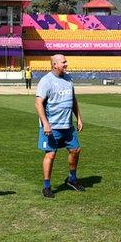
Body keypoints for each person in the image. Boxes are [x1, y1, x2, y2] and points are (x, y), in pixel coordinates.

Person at [35, 54, 83, 198]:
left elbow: (73, 100)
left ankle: (72, 179)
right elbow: (38, 103)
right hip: (52, 126)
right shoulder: (46, 81)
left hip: (67, 125)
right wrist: (45, 124)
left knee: (75, 150)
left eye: (66, 61)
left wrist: (79, 118)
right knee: (51, 154)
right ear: (54, 64)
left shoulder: (69, 79)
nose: (66, 64)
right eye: (63, 62)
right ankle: (46, 186)